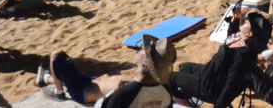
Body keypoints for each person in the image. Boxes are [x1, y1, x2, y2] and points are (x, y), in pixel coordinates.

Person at [169, 11, 273, 108]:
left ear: (249, 34)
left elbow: (231, 83)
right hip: (211, 73)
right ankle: (187, 99)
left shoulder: (242, 56)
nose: (244, 20)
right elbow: (229, 39)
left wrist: (219, 105)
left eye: (247, 22)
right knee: (185, 67)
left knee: (170, 79)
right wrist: (235, 19)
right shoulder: (240, 39)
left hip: (210, 88)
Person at [39, 35, 175, 107]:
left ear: (146, 63)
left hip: (82, 90)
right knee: (70, 74)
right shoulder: (159, 88)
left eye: (143, 50)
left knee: (56, 56)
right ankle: (46, 79)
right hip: (92, 82)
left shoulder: (126, 92)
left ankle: (58, 92)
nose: (139, 49)